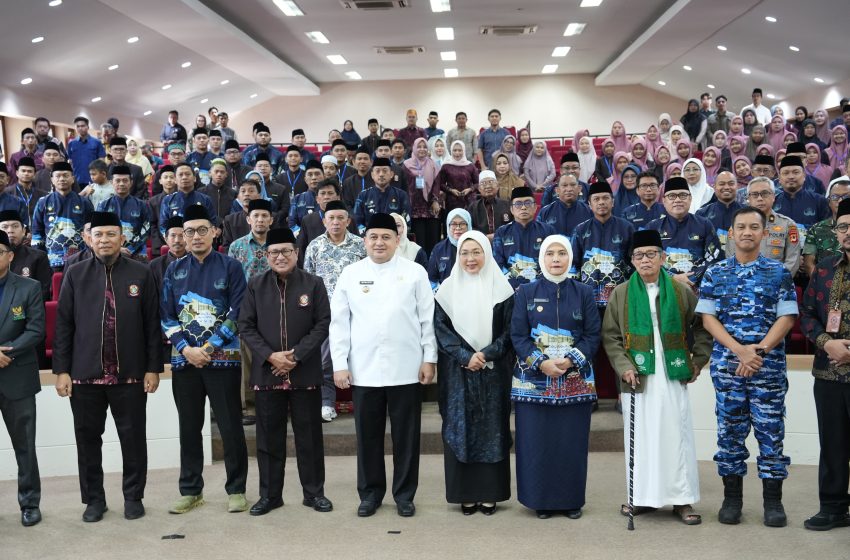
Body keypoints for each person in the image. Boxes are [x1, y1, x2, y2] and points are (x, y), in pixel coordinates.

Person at [54, 211, 162, 522]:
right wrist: (62, 370)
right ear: (88, 238)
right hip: (85, 375)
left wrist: (153, 367)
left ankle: (133, 496)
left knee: (133, 439)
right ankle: (94, 500)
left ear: (122, 238)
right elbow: (63, 326)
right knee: (87, 441)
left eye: (111, 234)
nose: (104, 240)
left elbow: (151, 325)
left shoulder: (142, 274)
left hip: (130, 374)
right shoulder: (75, 274)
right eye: (98, 234)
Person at [330, 212, 437, 518]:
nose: (379, 242)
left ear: (397, 240)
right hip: (364, 369)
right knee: (368, 437)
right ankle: (370, 493)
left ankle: (404, 494)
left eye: (386, 237)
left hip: (407, 367)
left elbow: (426, 318)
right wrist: (340, 364)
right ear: (364, 241)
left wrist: (429, 357)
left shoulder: (415, 272)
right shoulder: (350, 274)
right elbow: (339, 324)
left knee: (407, 437)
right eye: (374, 237)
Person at [697, 206, 798, 527]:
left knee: (771, 434)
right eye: (741, 227)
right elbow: (708, 318)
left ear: (764, 233)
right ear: (731, 233)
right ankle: (732, 500)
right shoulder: (716, 273)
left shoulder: (778, 272)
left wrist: (759, 351)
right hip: (728, 369)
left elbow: (787, 316)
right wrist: (740, 351)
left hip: (766, 370)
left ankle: (773, 502)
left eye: (754, 227)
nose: (747, 233)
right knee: (729, 434)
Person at [602, 229, 711, 525]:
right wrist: (624, 365)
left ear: (663, 258)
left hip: (673, 374)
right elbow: (611, 337)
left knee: (677, 437)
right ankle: (643, 498)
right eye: (639, 255)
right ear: (632, 261)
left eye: (651, 254)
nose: (645, 259)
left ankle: (682, 499)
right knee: (642, 438)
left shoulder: (680, 291)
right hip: (637, 377)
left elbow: (702, 328)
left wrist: (698, 361)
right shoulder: (621, 293)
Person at [238, 227, 333, 516]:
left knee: (310, 438)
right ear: (266, 256)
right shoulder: (255, 285)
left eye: (286, 251)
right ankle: (270, 495)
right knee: (268, 440)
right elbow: (246, 326)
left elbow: (322, 323)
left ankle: (314, 493)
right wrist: (270, 356)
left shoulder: (313, 284)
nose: (280, 257)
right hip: (268, 375)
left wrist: (296, 355)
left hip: (304, 372)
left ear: (296, 253)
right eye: (274, 252)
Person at [160, 205, 249, 515]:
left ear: (215, 232)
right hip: (185, 361)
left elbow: (238, 313)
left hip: (223, 359)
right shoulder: (174, 269)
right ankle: (190, 490)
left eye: (201, 230)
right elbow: (167, 316)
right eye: (189, 232)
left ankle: (236, 489)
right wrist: (186, 349)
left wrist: (209, 348)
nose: (195, 236)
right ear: (181, 236)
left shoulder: (231, 267)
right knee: (189, 427)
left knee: (230, 426)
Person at [510, 234, 600, 519]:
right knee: (536, 443)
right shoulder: (525, 292)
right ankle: (541, 501)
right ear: (542, 258)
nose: (556, 259)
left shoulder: (584, 292)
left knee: (570, 443)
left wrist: (571, 360)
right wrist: (541, 363)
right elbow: (518, 336)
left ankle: (571, 500)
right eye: (550, 254)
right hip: (534, 383)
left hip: (575, 381)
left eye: (562, 253)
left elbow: (592, 335)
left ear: (570, 257)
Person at [435, 230, 514, 515]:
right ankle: (465, 493)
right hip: (458, 374)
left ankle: (490, 493)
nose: (470, 258)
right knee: (460, 427)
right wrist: (466, 357)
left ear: (487, 254)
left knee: (492, 428)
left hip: (493, 373)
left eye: (476, 252)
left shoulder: (503, 289)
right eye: (465, 253)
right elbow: (441, 331)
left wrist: (487, 354)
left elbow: (510, 332)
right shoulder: (446, 291)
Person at [800, 197, 850, 530]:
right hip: (828, 372)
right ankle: (832, 507)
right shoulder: (825, 266)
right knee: (832, 442)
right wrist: (826, 342)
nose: (848, 232)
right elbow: (807, 314)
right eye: (843, 226)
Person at [303, 200, 366, 422]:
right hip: (325, 314)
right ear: (324, 221)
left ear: (348, 220)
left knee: (360, 357)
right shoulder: (315, 246)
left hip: (358, 312)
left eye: (341, 218)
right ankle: (327, 402)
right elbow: (307, 280)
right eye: (332, 218)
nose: (336, 222)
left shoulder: (360, 245)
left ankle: (363, 403)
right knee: (325, 361)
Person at [0, 228, 45, 527]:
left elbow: (36, 329)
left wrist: (8, 351)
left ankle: (29, 503)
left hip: (16, 374)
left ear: (10, 255)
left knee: (25, 446)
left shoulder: (29, 287)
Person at [229, 198, 274, 426]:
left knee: (271, 355)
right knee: (246, 359)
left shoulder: (279, 245)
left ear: (271, 220)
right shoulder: (237, 246)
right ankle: (249, 406)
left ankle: (275, 401)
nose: (260, 219)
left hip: (275, 309)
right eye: (256, 216)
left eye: (264, 216)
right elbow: (231, 281)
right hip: (246, 308)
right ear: (248, 219)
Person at [645, 177, 720, 288]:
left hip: (697, 287)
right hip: (662, 287)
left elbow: (715, 257)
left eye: (683, 195)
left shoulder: (704, 224)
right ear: (664, 201)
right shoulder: (653, 227)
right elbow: (646, 260)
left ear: (690, 199)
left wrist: (691, 277)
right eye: (672, 196)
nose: (678, 200)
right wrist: (672, 278)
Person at [729, 177, 801, 275]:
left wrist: (774, 281)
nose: (760, 198)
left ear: (773, 196)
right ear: (748, 199)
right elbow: (730, 257)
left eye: (765, 194)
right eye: (754, 194)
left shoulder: (788, 225)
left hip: (776, 284)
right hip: (742, 283)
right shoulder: (737, 225)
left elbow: (792, 261)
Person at [32, 161, 94, 270]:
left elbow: (91, 230)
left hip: (80, 259)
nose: (62, 179)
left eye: (66, 175)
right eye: (58, 176)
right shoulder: (43, 202)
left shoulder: (84, 202)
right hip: (52, 260)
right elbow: (37, 232)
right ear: (52, 180)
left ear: (73, 179)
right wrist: (40, 257)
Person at [492, 187, 556, 289]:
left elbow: (553, 260)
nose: (523, 207)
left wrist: (536, 283)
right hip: (509, 289)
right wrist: (513, 284)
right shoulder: (502, 232)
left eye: (528, 203)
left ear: (535, 207)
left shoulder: (548, 231)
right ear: (511, 209)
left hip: (542, 287)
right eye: (518, 204)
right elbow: (497, 263)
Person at [97, 165, 151, 261]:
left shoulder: (141, 205)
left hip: (136, 251)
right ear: (111, 182)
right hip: (110, 249)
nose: (121, 184)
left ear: (131, 183)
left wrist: (131, 248)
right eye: (117, 181)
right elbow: (99, 230)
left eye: (125, 180)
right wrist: (117, 249)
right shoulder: (103, 205)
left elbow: (146, 230)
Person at [772, 156, 830, 243]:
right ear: (779, 179)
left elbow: (827, 231)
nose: (791, 176)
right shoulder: (773, 202)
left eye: (796, 172)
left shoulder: (819, 201)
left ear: (804, 176)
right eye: (786, 173)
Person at [403, 137, 443, 254]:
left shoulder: (434, 165)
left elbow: (437, 184)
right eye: (419, 146)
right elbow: (404, 186)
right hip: (414, 209)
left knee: (433, 241)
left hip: (431, 209)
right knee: (419, 243)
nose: (422, 149)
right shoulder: (406, 165)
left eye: (425, 147)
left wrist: (436, 200)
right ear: (414, 148)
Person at [0, 210, 51, 301]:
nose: (10, 231)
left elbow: (43, 293)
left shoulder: (38, 257)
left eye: (15, 226)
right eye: (5, 227)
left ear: (23, 231)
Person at [803, 176, 849, 275]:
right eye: (835, 197)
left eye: (846, 197)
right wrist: (822, 284)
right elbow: (808, 263)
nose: (840, 201)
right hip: (825, 284)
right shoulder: (816, 229)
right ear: (829, 202)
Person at [158, 163, 217, 238]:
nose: (184, 177)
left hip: (200, 241)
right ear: (175, 180)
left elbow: (212, 224)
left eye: (187, 174)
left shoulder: (205, 199)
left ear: (194, 178)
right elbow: (163, 227)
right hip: (177, 243)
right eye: (180, 175)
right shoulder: (167, 200)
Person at [353, 158, 411, 232]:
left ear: (391, 174)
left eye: (385, 171)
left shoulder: (401, 195)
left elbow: (406, 222)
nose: (381, 174)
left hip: (394, 239)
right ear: (372, 175)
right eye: (377, 171)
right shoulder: (363, 195)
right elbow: (357, 221)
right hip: (370, 239)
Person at [696, 170, 743, 248]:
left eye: (731, 184)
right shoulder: (702, 213)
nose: (727, 187)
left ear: (737, 186)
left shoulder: (748, 213)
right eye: (722, 184)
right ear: (714, 187)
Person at [536, 172, 592, 238]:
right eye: (564, 185)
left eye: (573, 185)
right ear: (557, 190)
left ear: (579, 189)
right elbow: (538, 237)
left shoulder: (589, 212)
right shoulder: (545, 212)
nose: (569, 189)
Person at [428, 209, 471, 290]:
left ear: (469, 225)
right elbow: (432, 279)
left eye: (462, 224)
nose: (458, 228)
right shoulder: (439, 248)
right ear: (448, 226)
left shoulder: (477, 245)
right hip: (445, 295)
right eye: (453, 224)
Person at [468, 171, 510, 241]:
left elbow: (513, 225)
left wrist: (497, 235)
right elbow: (470, 227)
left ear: (497, 186)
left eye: (491, 182)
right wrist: (485, 237)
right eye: (483, 183)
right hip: (481, 242)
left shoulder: (507, 204)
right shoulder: (473, 207)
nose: (487, 186)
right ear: (479, 188)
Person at [437, 140, 478, 212]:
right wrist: (451, 190)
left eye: (460, 150)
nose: (457, 153)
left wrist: (469, 189)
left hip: (468, 200)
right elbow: (441, 184)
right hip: (451, 201)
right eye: (455, 150)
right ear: (451, 151)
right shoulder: (446, 166)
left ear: (464, 151)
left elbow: (477, 183)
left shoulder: (470, 166)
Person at [149, 216, 186, 295]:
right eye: (173, 235)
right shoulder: (154, 266)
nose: (177, 240)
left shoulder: (195, 263)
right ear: (166, 239)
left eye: (181, 236)